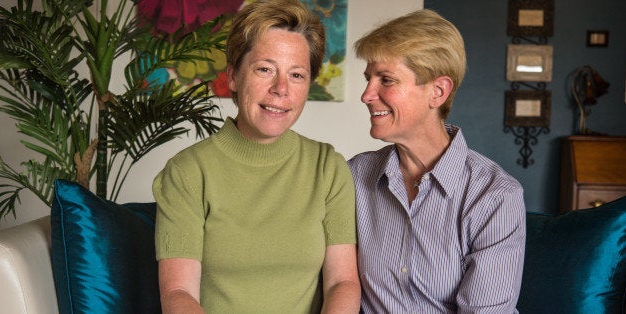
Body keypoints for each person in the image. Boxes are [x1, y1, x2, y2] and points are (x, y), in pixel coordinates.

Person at [152, 1, 360, 313]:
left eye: (297, 75)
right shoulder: (187, 172)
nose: (281, 89)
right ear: (233, 76)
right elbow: (179, 294)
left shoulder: (328, 167)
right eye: (265, 69)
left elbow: (342, 282)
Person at [348, 9, 526, 313]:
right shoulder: (354, 175)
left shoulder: (495, 196)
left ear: (438, 91)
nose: (367, 94)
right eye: (368, 79)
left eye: (386, 80)